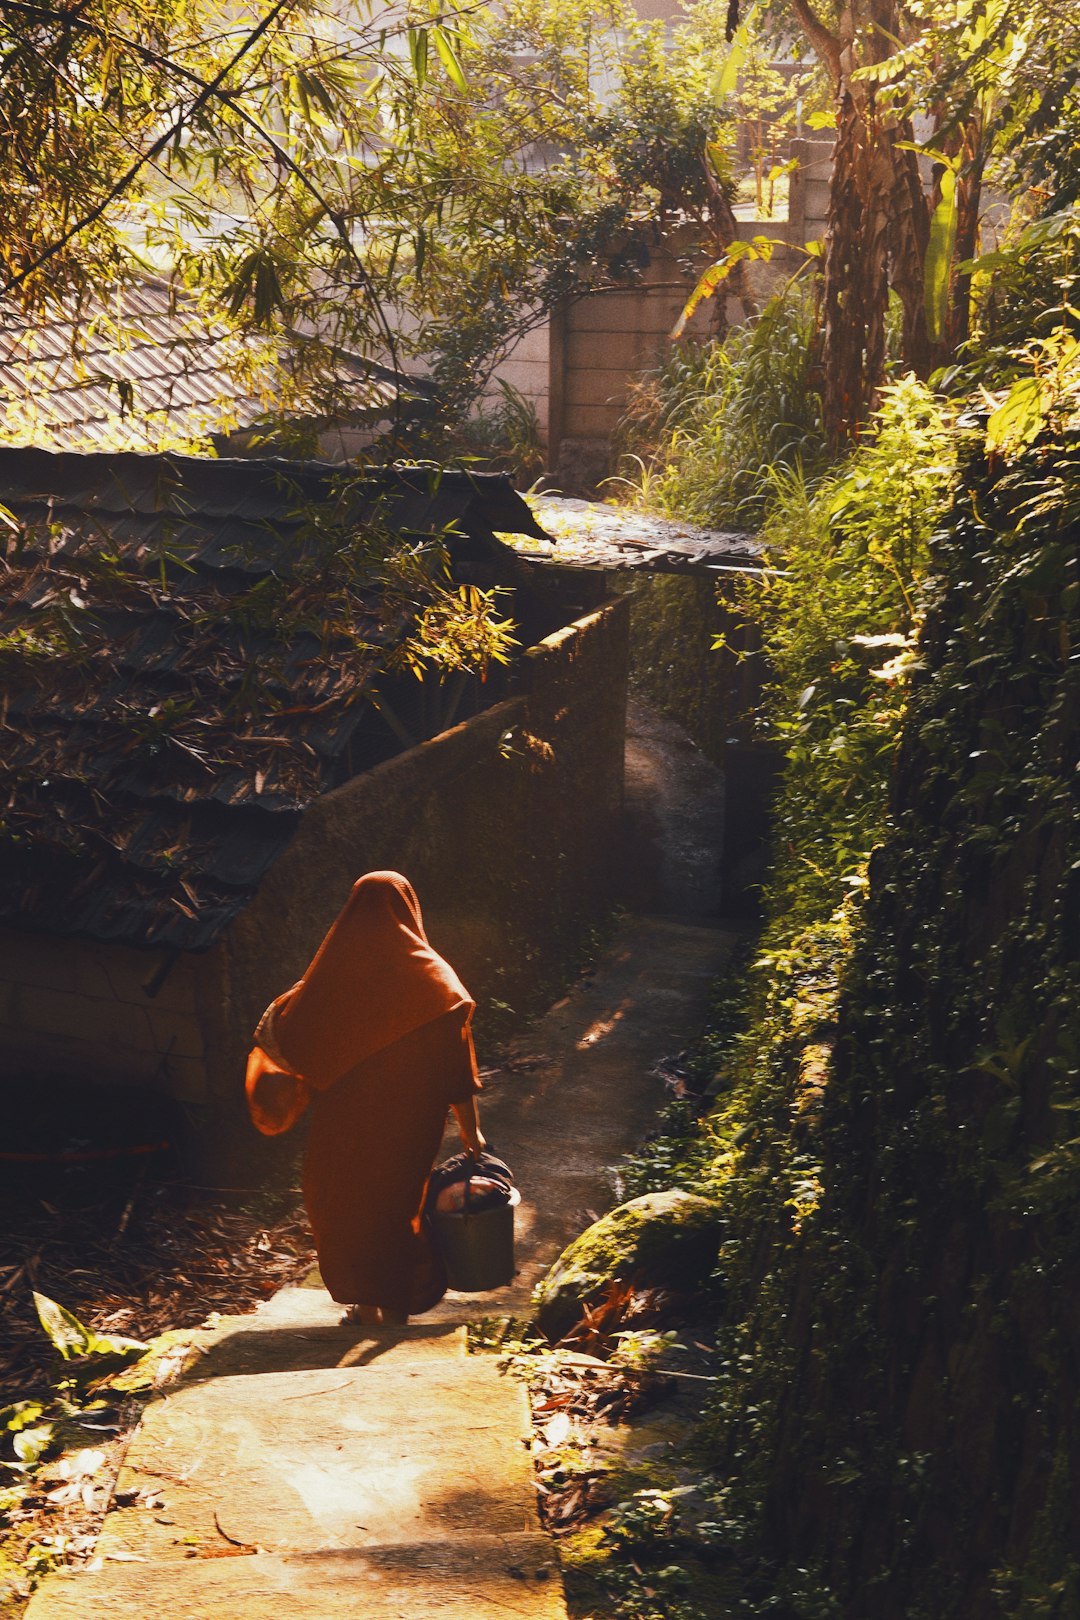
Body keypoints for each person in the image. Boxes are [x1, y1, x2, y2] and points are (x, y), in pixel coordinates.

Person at [245, 871, 486, 1325]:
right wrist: (471, 1130)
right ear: (410, 911)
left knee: (342, 1204)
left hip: (344, 1122)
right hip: (411, 1124)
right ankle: (388, 1303)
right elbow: (456, 1066)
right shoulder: (437, 981)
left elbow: (290, 1036)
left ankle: (370, 1302)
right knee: (396, 1208)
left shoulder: (330, 977)